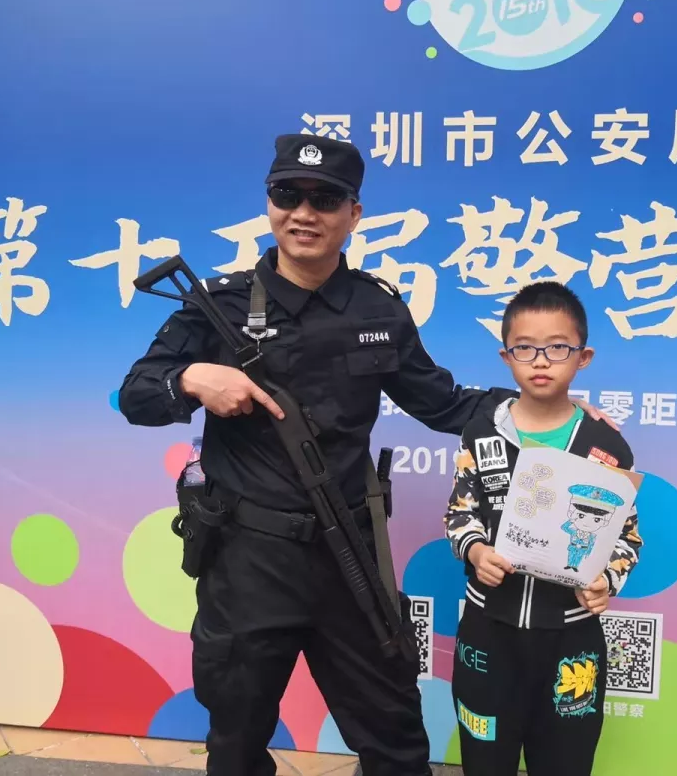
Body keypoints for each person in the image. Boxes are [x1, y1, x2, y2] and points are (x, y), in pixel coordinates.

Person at [117, 134, 620, 776]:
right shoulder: (218, 306)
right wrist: (193, 379)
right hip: (248, 559)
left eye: (325, 199)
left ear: (353, 213)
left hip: (349, 555)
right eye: (287, 195)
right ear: (269, 203)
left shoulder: (377, 307)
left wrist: (549, 407)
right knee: (236, 743)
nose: (304, 213)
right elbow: (137, 394)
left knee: (396, 744)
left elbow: (442, 403)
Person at [443, 281, 644, 776]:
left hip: (571, 636)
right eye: (525, 348)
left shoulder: (606, 446)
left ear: (583, 357)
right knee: (485, 761)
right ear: (505, 357)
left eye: (557, 348)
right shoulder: (481, 433)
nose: (540, 361)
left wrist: (606, 580)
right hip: (488, 631)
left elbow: (627, 537)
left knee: (565, 761)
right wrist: (475, 551)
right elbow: (460, 512)